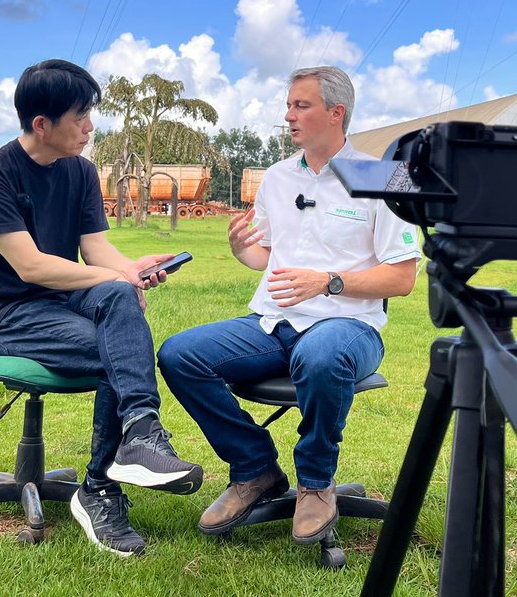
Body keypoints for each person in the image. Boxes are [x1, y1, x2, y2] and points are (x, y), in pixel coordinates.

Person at [158, 66, 419, 545]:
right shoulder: (277, 178)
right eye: (289, 105)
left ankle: (316, 484)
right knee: (179, 355)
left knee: (319, 354)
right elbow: (266, 255)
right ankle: (255, 469)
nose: (289, 116)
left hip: (348, 325)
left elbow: (402, 278)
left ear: (336, 112)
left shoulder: (385, 178)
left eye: (301, 106)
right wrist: (242, 250)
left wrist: (328, 282)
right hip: (273, 322)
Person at [0, 58, 202, 558]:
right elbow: (32, 268)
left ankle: (141, 434)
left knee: (118, 298)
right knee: (119, 350)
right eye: (79, 118)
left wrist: (127, 270)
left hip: (62, 304)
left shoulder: (80, 171)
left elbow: (96, 251)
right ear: (41, 124)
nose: (90, 128)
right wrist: (117, 275)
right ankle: (99, 487)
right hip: (9, 316)